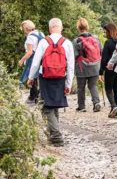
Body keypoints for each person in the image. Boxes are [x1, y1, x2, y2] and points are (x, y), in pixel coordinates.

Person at [28, 18, 74, 147]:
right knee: (54, 106)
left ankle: (56, 135)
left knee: (46, 107)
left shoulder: (44, 42)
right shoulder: (67, 43)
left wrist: (31, 77)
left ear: (49, 28)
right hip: (61, 77)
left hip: (46, 77)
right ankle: (52, 136)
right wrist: (68, 84)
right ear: (61, 27)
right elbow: (71, 66)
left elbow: (36, 62)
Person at [73, 18, 102, 112]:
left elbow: (75, 55)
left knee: (80, 87)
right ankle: (96, 103)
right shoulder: (96, 39)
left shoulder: (76, 41)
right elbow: (101, 51)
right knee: (93, 85)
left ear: (78, 28)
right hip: (95, 66)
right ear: (87, 26)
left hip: (82, 67)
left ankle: (82, 107)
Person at [18, 20, 44, 104]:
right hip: (42, 58)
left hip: (32, 58)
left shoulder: (30, 37)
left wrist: (22, 60)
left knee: (31, 76)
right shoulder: (40, 33)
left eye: (23, 28)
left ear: (26, 28)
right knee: (38, 77)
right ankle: (38, 96)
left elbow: (29, 52)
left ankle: (33, 97)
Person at [100, 23, 117, 118]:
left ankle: (114, 106)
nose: (105, 34)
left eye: (105, 32)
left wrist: (101, 72)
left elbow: (104, 59)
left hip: (110, 69)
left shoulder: (108, 42)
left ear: (110, 31)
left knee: (108, 89)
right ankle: (116, 108)